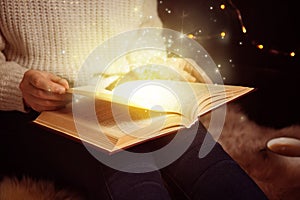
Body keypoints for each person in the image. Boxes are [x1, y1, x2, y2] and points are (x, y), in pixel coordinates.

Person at [0, 0, 267, 199]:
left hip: (119, 96)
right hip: (35, 112)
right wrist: (20, 86)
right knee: (128, 163)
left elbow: (146, 32)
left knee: (191, 144)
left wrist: (163, 66)